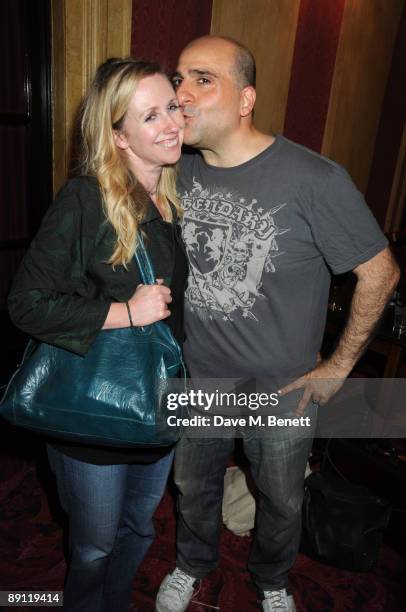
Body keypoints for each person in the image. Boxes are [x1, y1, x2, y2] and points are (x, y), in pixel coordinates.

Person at [155, 36, 400, 612]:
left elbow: (381, 274)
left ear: (246, 99)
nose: (180, 95)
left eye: (202, 80)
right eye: (178, 80)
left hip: (282, 387)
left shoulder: (314, 179)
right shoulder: (176, 172)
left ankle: (272, 580)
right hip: (202, 376)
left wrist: (339, 367)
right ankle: (192, 563)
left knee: (282, 499)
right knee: (193, 487)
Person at [8, 57, 187, 612]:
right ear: (118, 135)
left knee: (138, 532)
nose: (171, 124)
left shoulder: (172, 198)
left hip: (159, 403)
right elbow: (25, 304)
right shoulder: (86, 200)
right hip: (92, 415)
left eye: (173, 107)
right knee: (92, 546)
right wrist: (123, 312)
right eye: (150, 115)